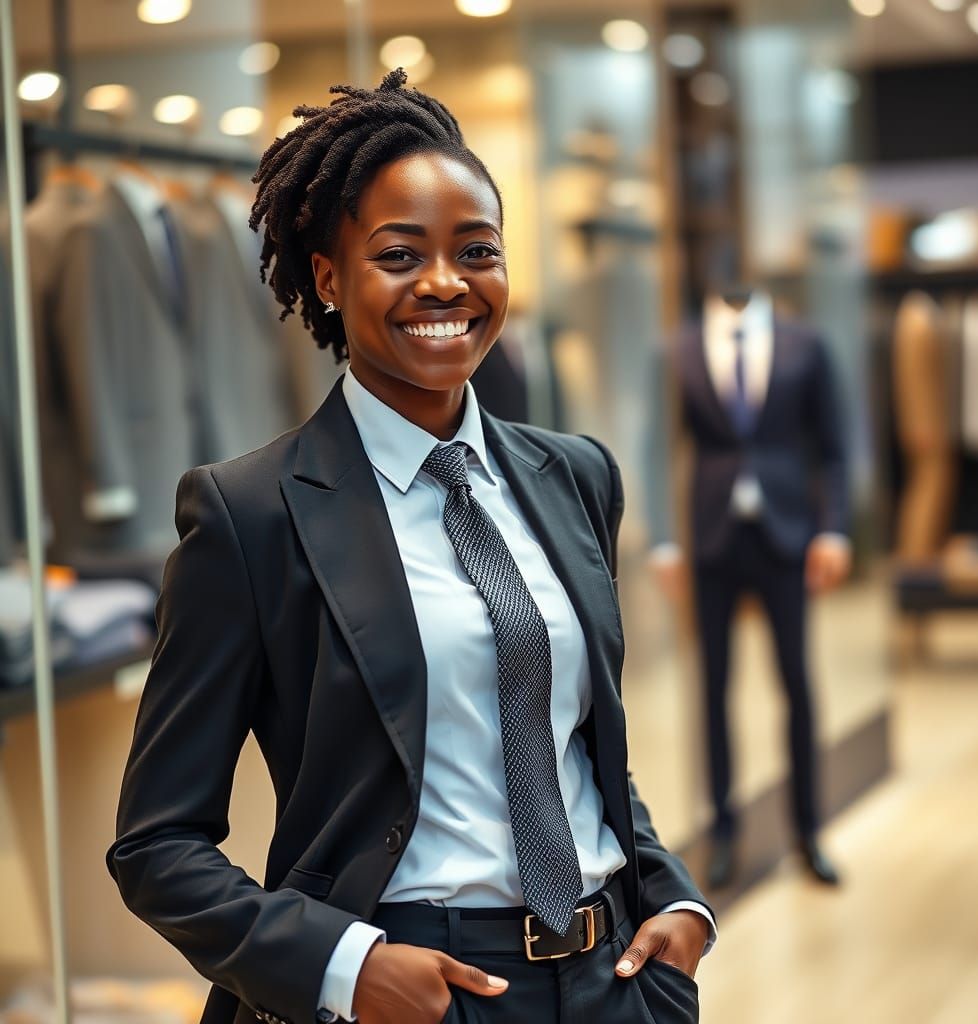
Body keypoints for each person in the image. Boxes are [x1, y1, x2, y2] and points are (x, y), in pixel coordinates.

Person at [107, 71, 714, 1024]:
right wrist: (343, 968)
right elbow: (156, 846)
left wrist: (671, 895)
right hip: (416, 989)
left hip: (616, 982)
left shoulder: (574, 476)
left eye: (477, 250)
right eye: (399, 255)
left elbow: (570, 744)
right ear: (327, 278)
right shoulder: (252, 514)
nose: (444, 282)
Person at [665, 288, 851, 889]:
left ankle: (809, 831)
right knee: (714, 686)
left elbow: (834, 447)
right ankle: (722, 831)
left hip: (788, 533)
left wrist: (834, 530)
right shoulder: (684, 346)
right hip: (713, 535)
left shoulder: (805, 342)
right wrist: (665, 539)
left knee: (796, 680)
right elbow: (659, 443)